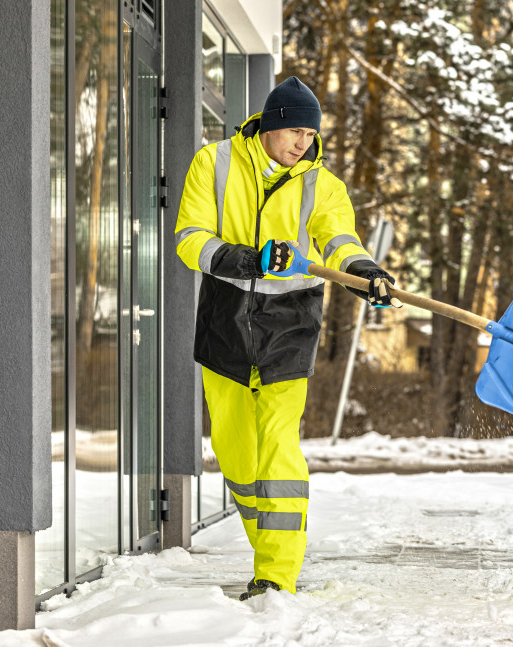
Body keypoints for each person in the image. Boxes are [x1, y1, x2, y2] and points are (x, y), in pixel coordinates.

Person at [175, 76, 399, 600]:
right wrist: (249, 259)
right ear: (271, 125)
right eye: (295, 130)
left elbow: (339, 237)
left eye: (309, 132)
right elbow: (190, 238)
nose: (303, 141)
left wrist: (366, 272)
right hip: (225, 319)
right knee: (235, 452)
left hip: (291, 322)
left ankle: (276, 574)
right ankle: (266, 543)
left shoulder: (321, 183)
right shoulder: (215, 163)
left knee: (278, 445)